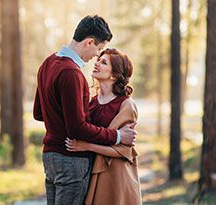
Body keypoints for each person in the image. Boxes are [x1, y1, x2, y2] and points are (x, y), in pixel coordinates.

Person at [33, 15, 137, 205]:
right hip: (71, 160)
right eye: (98, 49)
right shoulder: (72, 73)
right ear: (89, 42)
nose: (96, 56)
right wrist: (118, 137)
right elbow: (77, 129)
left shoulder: (47, 64)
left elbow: (39, 113)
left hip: (50, 157)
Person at [66, 48, 142, 205]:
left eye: (104, 62)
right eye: (98, 60)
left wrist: (87, 146)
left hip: (116, 176)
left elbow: (122, 150)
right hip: (92, 171)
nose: (97, 63)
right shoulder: (90, 102)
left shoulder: (126, 105)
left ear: (114, 75)